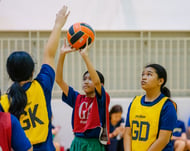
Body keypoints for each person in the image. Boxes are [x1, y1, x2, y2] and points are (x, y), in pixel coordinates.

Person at [0, 5, 70, 151]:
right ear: (32, 71)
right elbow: (49, 54)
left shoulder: (4, 102)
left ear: (10, 75)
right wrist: (58, 25)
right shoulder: (42, 85)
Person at [55, 39, 110, 151]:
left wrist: (85, 56)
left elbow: (97, 82)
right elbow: (59, 80)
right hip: (77, 142)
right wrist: (62, 55)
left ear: (101, 85)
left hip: (93, 144)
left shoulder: (102, 99)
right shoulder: (77, 98)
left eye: (90, 79)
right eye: (84, 79)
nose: (85, 81)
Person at [123, 63, 177, 151]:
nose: (143, 77)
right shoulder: (135, 102)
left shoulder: (168, 106)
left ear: (160, 81)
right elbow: (128, 133)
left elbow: (163, 139)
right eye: (143, 75)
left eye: (149, 74)